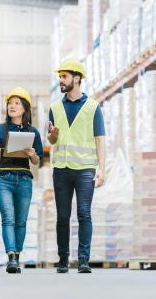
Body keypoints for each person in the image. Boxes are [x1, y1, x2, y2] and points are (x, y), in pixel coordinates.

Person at [48, 59, 105, 274]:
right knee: (63, 215)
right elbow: (52, 140)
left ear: (77, 78)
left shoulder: (93, 108)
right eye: (60, 76)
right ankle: (63, 259)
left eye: (64, 76)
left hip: (85, 169)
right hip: (61, 168)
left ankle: (83, 260)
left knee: (84, 213)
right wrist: (52, 137)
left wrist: (102, 169)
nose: (60, 80)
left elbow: (100, 140)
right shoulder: (54, 108)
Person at [0, 87, 43, 274]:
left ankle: (17, 256)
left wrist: (32, 154)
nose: (12, 106)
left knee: (21, 222)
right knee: (8, 219)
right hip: (4, 179)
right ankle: (11, 257)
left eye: (17, 103)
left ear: (25, 108)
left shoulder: (32, 132)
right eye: (10, 103)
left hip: (25, 179)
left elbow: (37, 161)